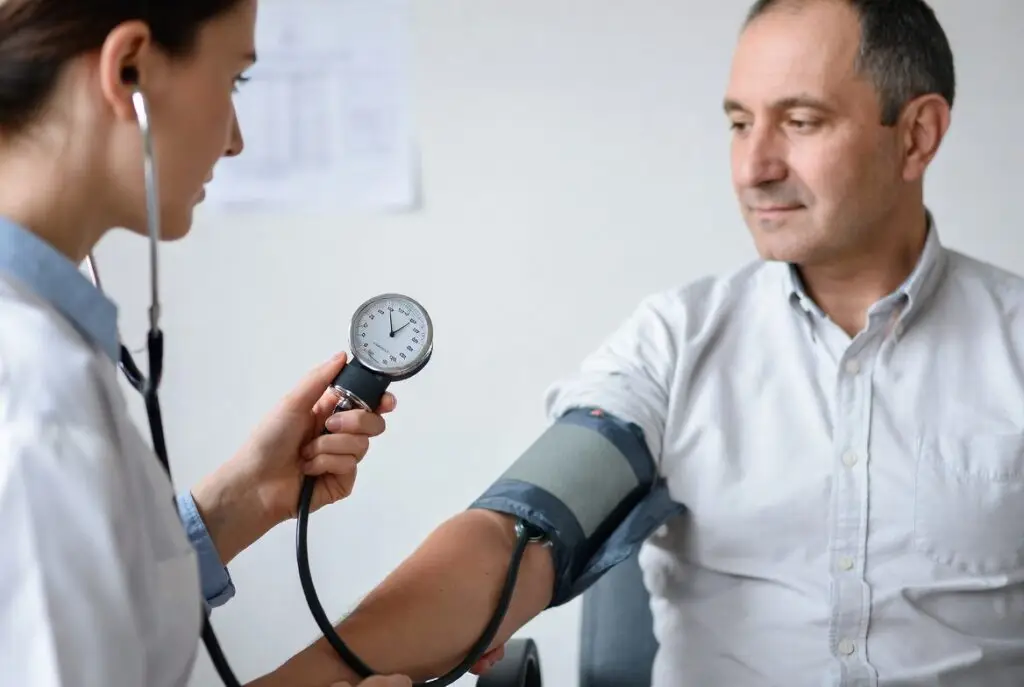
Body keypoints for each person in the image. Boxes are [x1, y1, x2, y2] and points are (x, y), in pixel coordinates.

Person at [249, 0, 1024, 685]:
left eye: (800, 121)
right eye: (739, 123)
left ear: (916, 135)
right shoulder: (676, 341)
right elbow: (516, 530)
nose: (753, 167)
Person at [0, 1, 411, 686]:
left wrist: (247, 496)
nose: (235, 141)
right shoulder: (35, 396)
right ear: (128, 69)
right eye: (233, 79)